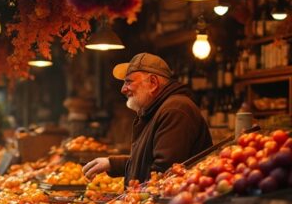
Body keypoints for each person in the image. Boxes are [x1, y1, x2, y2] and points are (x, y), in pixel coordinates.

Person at [83, 52, 212, 184]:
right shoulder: (158, 109)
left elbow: (162, 174)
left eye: (128, 82)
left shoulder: (175, 110)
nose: (123, 89)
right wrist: (111, 164)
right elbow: (147, 162)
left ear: (153, 83)